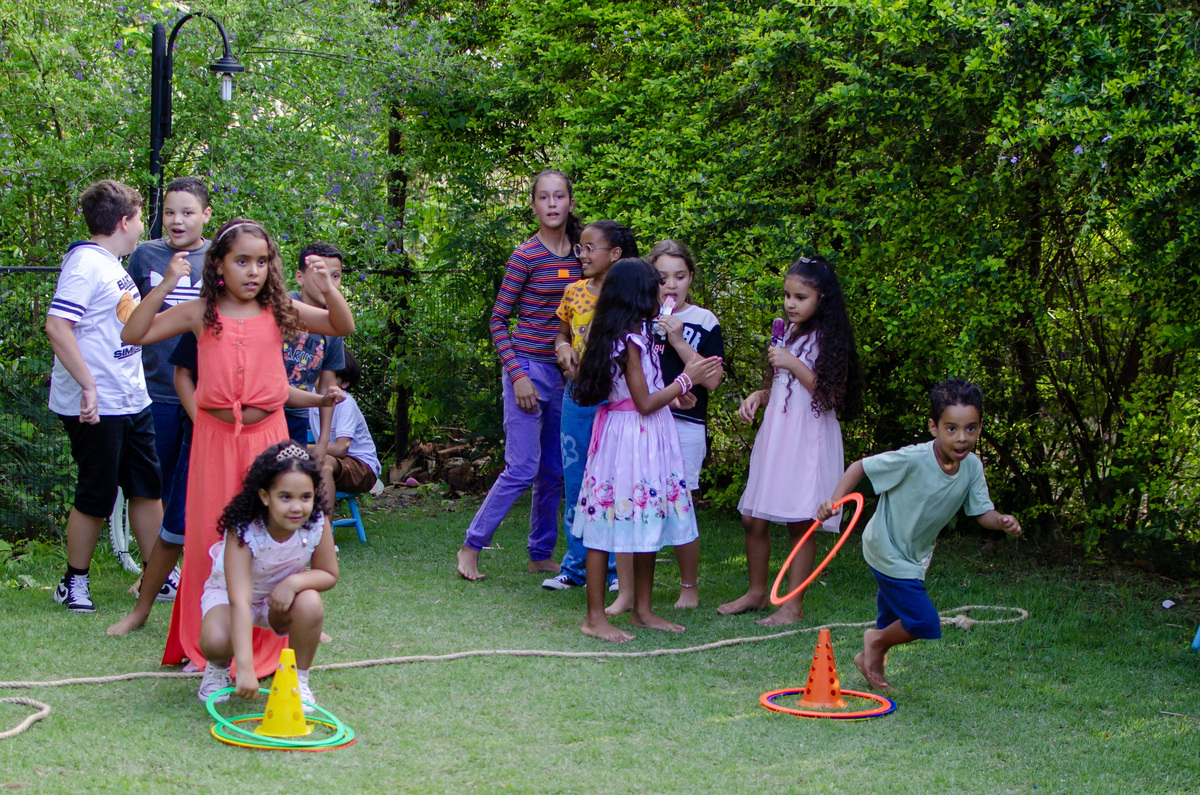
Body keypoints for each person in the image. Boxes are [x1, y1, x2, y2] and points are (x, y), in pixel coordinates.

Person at [119, 217, 354, 678]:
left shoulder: (280, 308)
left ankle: (267, 643)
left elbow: (339, 326)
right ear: (219, 266)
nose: (253, 271)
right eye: (242, 261)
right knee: (209, 540)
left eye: (262, 261)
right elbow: (134, 334)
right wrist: (167, 283)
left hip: (266, 441)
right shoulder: (199, 311)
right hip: (213, 442)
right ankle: (209, 647)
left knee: (266, 535)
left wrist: (326, 285)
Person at [817, 378, 1023, 689]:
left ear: (979, 428)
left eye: (971, 428)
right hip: (884, 545)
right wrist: (835, 501)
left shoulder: (972, 468)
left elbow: (982, 512)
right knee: (923, 622)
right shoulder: (913, 459)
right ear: (933, 427)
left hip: (916, 553)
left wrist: (1002, 521)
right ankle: (873, 642)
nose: (962, 438)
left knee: (891, 616)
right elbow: (860, 467)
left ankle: (872, 664)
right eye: (951, 428)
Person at [570, 259, 722, 642]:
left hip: (648, 437)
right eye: (656, 286)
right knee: (605, 527)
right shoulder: (627, 342)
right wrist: (689, 378)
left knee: (646, 519)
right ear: (639, 294)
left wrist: (676, 399)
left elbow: (649, 395)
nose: (664, 292)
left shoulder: (638, 334)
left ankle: (642, 611)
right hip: (627, 442)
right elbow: (641, 402)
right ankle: (593, 617)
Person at [718, 255, 862, 626]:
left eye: (800, 297)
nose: (790, 303)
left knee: (801, 521)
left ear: (822, 299)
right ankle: (755, 592)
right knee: (752, 516)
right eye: (786, 295)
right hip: (777, 434)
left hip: (807, 437)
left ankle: (793, 606)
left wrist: (793, 363)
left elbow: (830, 396)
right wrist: (760, 395)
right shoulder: (786, 331)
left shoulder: (829, 338)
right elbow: (781, 384)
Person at [456, 169, 584, 581]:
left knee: (553, 470)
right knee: (522, 467)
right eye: (543, 197)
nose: (551, 204)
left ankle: (540, 553)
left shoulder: (583, 256)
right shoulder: (524, 256)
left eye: (559, 196)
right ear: (533, 205)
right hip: (526, 371)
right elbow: (497, 321)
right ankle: (471, 546)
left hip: (565, 375)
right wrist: (517, 376)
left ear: (570, 203)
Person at [45, 180, 162, 613]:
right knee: (97, 492)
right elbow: (58, 327)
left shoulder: (111, 263)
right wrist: (90, 387)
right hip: (96, 405)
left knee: (147, 487)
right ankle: (73, 582)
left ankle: (159, 574)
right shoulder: (85, 264)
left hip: (132, 398)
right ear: (123, 221)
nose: (141, 230)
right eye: (138, 220)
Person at [107, 177, 213, 634]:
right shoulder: (146, 256)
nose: (177, 220)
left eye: (187, 212)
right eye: (170, 212)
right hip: (154, 390)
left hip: (208, 395)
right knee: (159, 484)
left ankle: (206, 572)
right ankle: (161, 574)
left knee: (201, 482)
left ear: (206, 215)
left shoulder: (223, 256)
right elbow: (129, 315)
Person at [196, 441, 337, 712]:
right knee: (216, 640)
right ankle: (218, 668)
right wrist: (246, 668)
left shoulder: (317, 522)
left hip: (279, 601)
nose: (297, 507)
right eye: (285, 497)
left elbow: (329, 573)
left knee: (310, 603)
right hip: (232, 597)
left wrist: (293, 582)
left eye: (305, 497)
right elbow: (239, 600)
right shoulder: (245, 530)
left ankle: (298, 681)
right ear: (265, 496)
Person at [541, 220, 635, 594]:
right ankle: (575, 566)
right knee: (576, 479)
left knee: (613, 482)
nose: (581, 255)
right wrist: (562, 349)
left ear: (614, 254)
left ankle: (615, 571)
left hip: (616, 401)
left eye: (589, 248)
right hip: (577, 398)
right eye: (579, 248)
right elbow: (562, 332)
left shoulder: (629, 298)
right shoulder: (573, 292)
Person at [648, 239, 724, 609]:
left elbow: (711, 380)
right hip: (645, 420)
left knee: (681, 504)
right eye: (662, 278)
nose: (671, 286)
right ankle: (631, 590)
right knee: (640, 499)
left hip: (686, 425)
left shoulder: (704, 321)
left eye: (680, 276)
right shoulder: (640, 316)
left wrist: (677, 339)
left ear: (691, 278)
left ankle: (688, 588)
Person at [284, 242, 347, 461]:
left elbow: (327, 384)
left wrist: (322, 442)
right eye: (318, 274)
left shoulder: (334, 325)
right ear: (299, 277)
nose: (326, 282)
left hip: (297, 415)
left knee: (287, 477)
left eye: (335, 276)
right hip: (263, 410)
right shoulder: (281, 306)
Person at [308, 350, 382, 499]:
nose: (322, 376)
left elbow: (341, 448)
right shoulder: (309, 397)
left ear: (344, 383)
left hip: (363, 467)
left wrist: (301, 447)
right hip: (335, 462)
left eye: (329, 374)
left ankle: (324, 520)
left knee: (324, 463)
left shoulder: (346, 403)